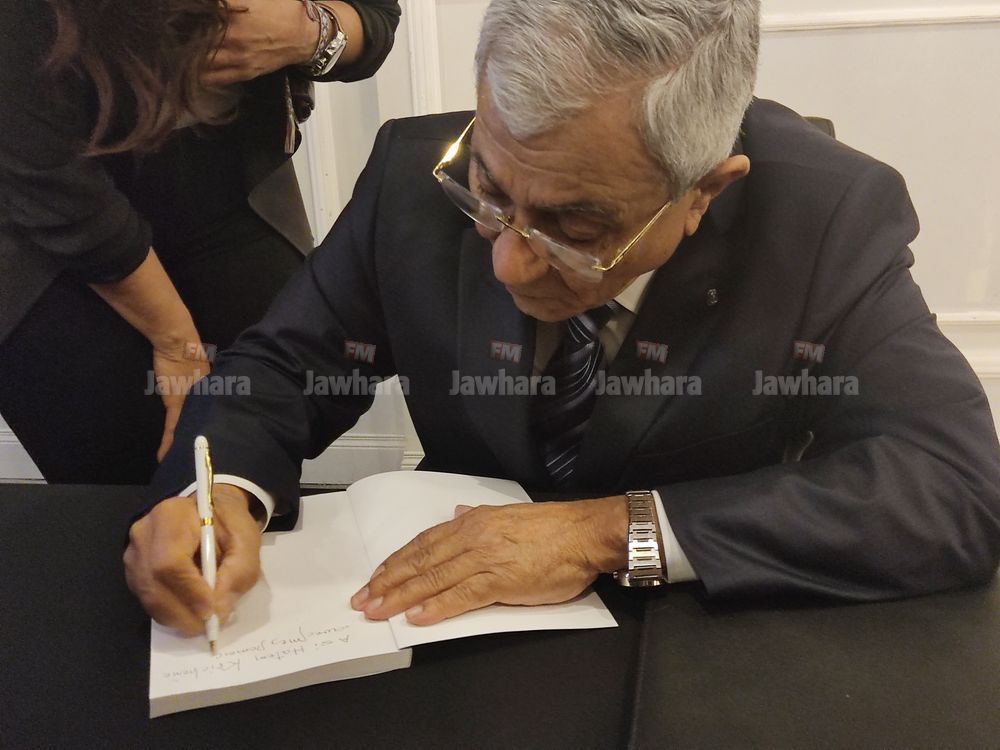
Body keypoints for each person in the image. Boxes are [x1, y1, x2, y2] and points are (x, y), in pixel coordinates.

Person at [125, 0, 1000, 637]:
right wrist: (216, 491)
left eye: (576, 228)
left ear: (703, 192)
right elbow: (281, 366)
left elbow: (952, 488)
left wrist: (612, 531)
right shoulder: (410, 174)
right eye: (490, 192)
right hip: (456, 634)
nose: (509, 261)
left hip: (702, 637)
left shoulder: (825, 217)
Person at [0, 0, 400, 483]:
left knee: (259, 442)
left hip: (225, 183)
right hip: (33, 234)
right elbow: (52, 184)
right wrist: (175, 341)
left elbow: (376, 18)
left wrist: (309, 34)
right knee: (126, 481)